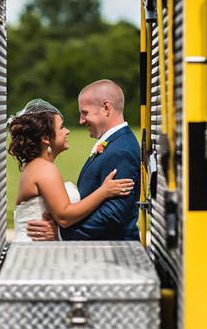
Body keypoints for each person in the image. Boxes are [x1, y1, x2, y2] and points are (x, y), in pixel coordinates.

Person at [27, 79, 140, 241]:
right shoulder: (116, 144)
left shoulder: (121, 150)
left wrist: (61, 233)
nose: (81, 120)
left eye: (85, 113)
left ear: (106, 108)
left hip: (113, 253)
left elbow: (113, 216)